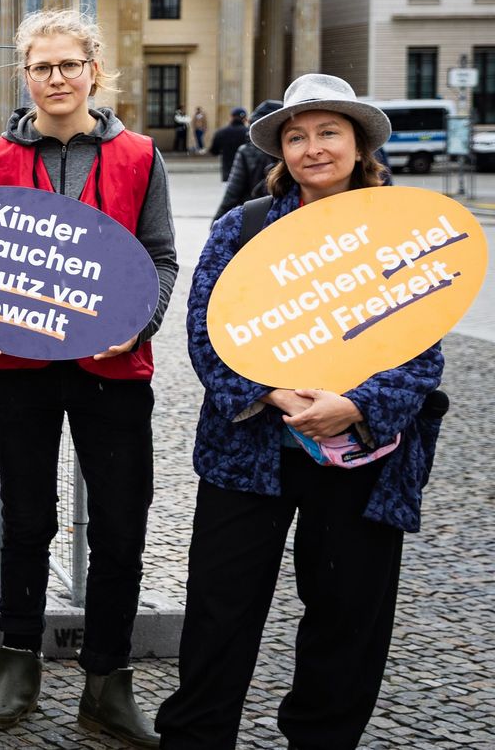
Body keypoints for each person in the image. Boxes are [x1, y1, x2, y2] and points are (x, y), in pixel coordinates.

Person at [155, 74, 446, 749]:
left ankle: (323, 738)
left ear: (359, 143)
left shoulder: (403, 233)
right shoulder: (244, 226)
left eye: (328, 132)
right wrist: (271, 393)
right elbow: (205, 329)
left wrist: (355, 404)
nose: (313, 148)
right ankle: (197, 736)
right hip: (248, 451)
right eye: (297, 136)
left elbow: (422, 350)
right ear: (280, 152)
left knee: (348, 615)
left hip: (363, 458)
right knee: (220, 609)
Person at [0, 11, 176, 747]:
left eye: (67, 65)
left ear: (93, 69)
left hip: (112, 367)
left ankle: (107, 683)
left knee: (120, 527)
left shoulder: (141, 155)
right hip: (19, 367)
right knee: (27, 518)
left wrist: (140, 322)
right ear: (24, 75)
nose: (54, 78)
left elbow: (160, 257)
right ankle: (17, 664)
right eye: (40, 67)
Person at [213, 100, 284, 220]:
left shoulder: (245, 148)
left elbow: (232, 192)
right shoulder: (285, 151)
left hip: (253, 213)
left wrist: (218, 220)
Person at [206, 107, 251, 181]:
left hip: (228, 172)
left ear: (231, 117)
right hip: (246, 173)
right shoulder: (248, 133)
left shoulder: (221, 132)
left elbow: (214, 151)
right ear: (245, 118)